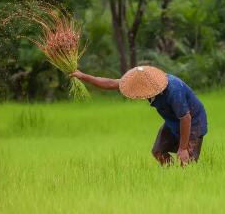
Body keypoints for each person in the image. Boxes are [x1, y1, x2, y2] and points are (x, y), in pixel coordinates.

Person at [71, 66, 207, 166]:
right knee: (158, 152)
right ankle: (172, 175)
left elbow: (185, 118)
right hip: (172, 121)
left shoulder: (173, 90)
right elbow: (111, 83)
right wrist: (83, 76)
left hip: (192, 122)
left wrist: (183, 148)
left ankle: (184, 179)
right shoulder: (143, 82)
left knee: (186, 160)